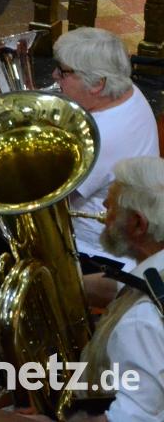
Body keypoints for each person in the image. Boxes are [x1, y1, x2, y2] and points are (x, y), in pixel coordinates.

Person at [0, 27, 159, 398]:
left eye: (62, 72)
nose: (53, 76)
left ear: (98, 84)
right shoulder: (123, 93)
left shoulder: (106, 135)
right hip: (89, 229)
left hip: (96, 250)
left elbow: (42, 193)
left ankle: (4, 372)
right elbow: (65, 108)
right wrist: (13, 100)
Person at [22, 156, 164, 421]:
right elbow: (133, 285)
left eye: (111, 208)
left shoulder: (139, 322)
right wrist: (59, 286)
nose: (102, 213)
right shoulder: (155, 275)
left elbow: (130, 418)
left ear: (138, 224)